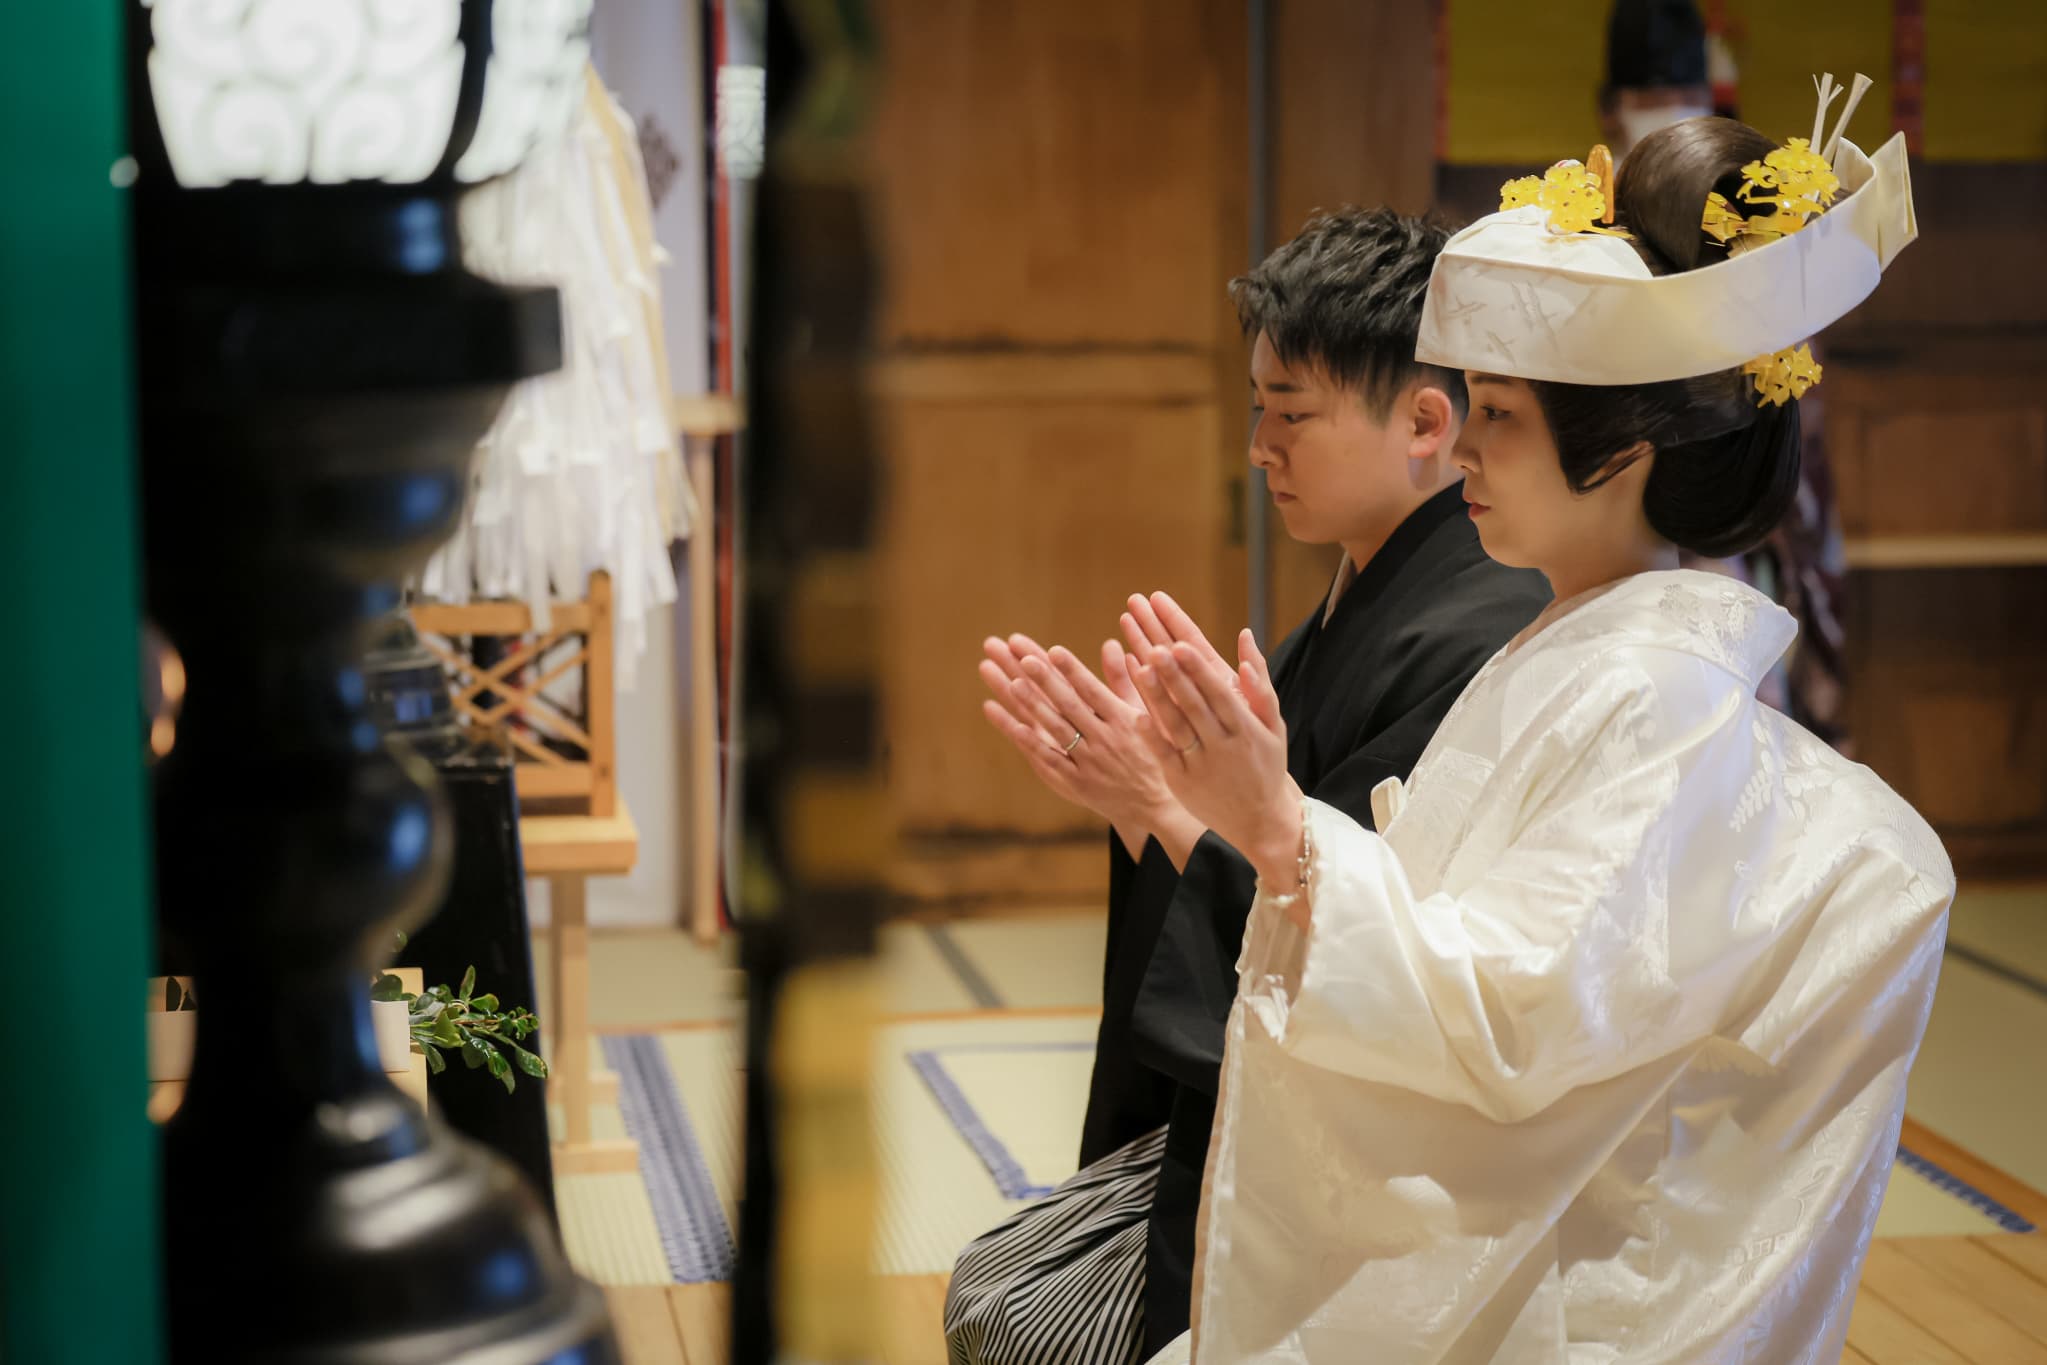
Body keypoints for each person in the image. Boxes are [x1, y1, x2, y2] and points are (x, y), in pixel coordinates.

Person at [1130, 97, 1951, 1361]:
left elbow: (1518, 1011)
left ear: (1620, 452)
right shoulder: (1588, 648)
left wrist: (1281, 828)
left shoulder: (1651, 692)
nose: (1463, 446)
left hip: (1577, 1287)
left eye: (1498, 417)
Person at [945, 209, 1550, 1364]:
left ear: (1428, 421)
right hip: (1260, 1130)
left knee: (1019, 1325)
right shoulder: (1368, 598)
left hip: (1378, 1182)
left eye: (1290, 416)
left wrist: (1164, 811)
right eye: (1256, 413)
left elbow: (1375, 938)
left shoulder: (1475, 636)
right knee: (996, 1287)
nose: (1260, 448)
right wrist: (1144, 806)